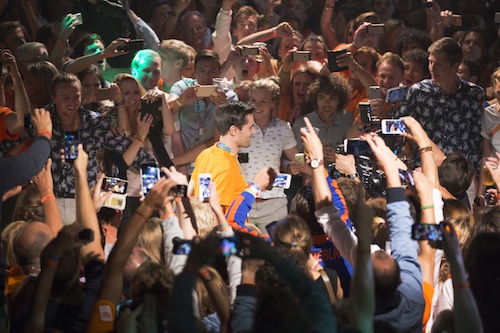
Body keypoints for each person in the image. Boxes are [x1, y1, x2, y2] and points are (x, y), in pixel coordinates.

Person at [395, 37, 484, 176]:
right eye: (430, 62)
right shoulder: (418, 91)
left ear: (455, 66)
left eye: (439, 64)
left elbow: (478, 137)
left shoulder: (474, 94)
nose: (432, 68)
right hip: (426, 167)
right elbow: (399, 127)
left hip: (462, 174)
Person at [239, 79, 300, 232]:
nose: (257, 106)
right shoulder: (238, 126)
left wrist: (295, 165)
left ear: (273, 103)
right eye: (253, 100)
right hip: (243, 199)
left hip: (274, 202)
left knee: (277, 251)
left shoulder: (283, 127)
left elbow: (297, 158)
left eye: (263, 101)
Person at [190, 100, 271, 212]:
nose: (253, 132)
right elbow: (215, 210)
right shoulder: (225, 166)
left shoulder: (206, 154)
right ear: (233, 130)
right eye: (250, 127)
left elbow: (191, 191)